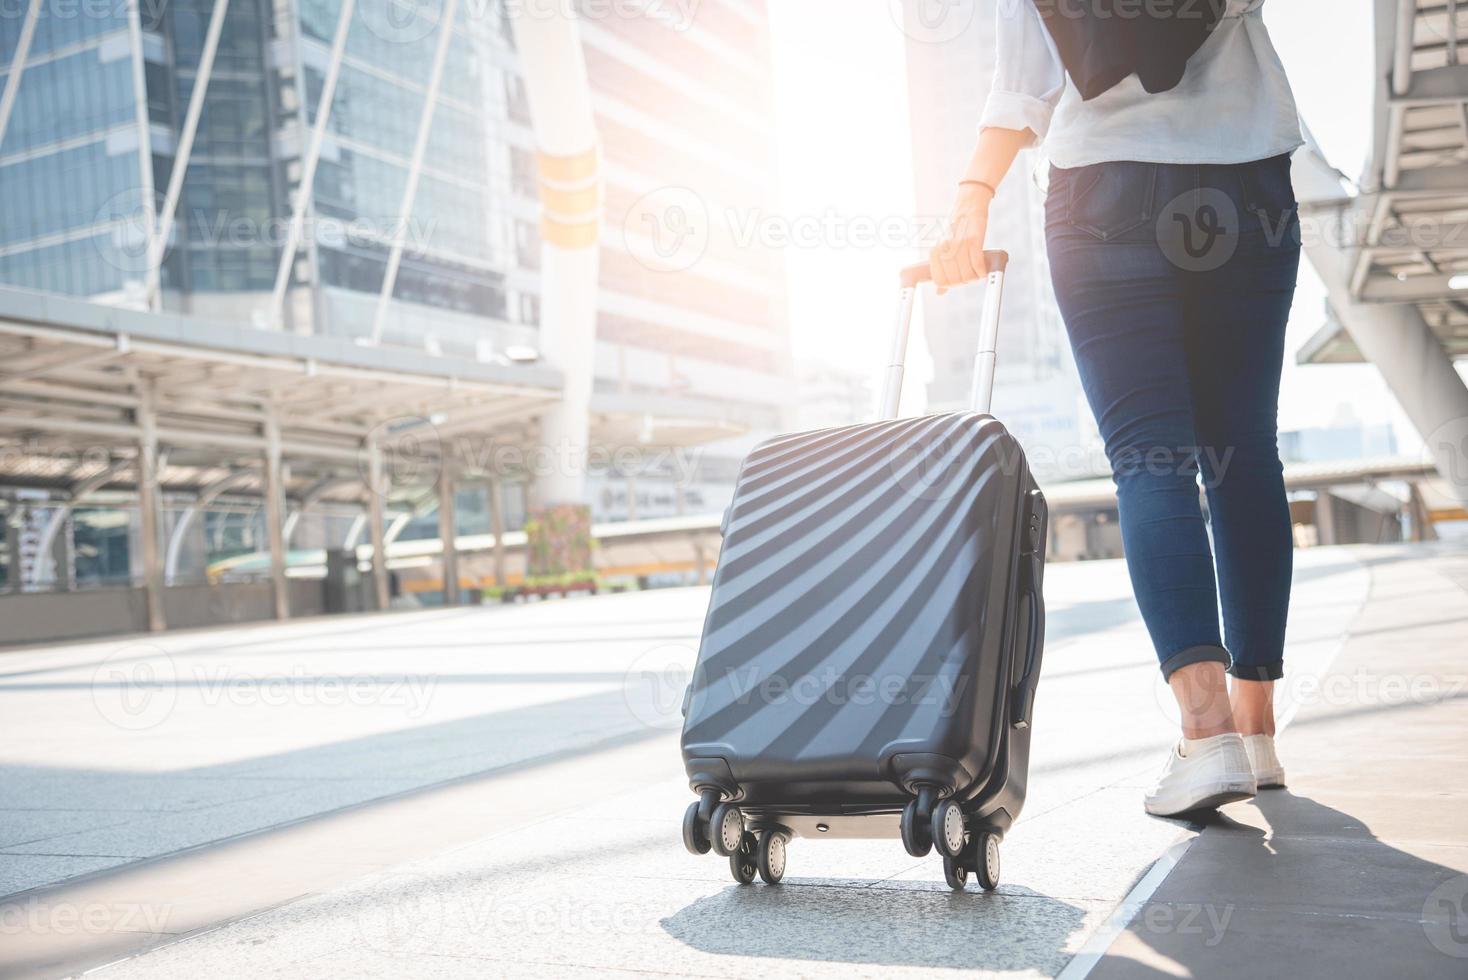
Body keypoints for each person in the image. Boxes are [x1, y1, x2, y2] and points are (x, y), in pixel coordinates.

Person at [930, 0, 1301, 817]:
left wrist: (971, 198)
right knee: (1244, 452)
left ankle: (1206, 738)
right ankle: (1258, 733)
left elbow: (1020, 88)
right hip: (1248, 182)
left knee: (1150, 460)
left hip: (1106, 190)